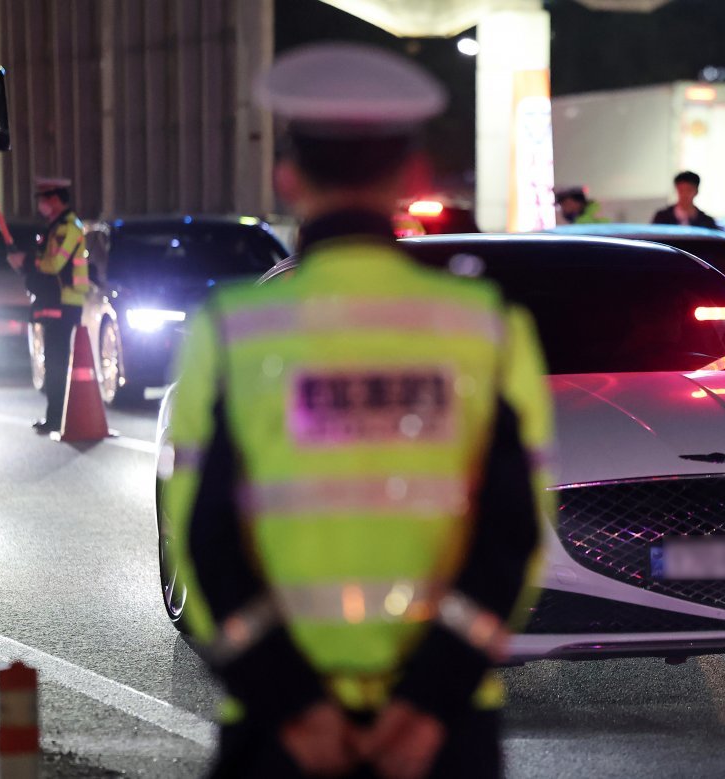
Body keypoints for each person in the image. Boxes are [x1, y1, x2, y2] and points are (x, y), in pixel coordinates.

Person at [160, 44, 555, 779]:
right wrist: (427, 706)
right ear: (410, 178)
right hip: (443, 736)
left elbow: (204, 538)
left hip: (279, 731)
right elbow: (513, 538)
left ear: (287, 176)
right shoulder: (489, 329)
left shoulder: (233, 329)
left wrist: (294, 706)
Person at [6, 177, 89, 434]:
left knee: (57, 361)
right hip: (57, 301)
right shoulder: (55, 227)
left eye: (43, 198)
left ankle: (58, 418)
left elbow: (54, 265)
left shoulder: (68, 228)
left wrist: (27, 260)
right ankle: (54, 417)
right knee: (53, 360)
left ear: (55, 199)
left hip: (66, 302)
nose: (40, 204)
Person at [651, 170, 719, 228]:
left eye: (689, 190)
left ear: (696, 191)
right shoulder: (662, 218)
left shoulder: (706, 221)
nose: (684, 195)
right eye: (681, 190)